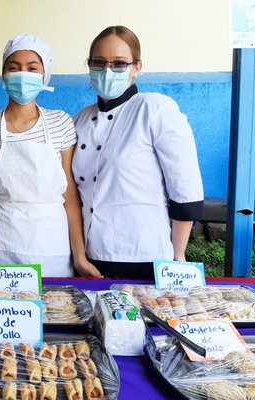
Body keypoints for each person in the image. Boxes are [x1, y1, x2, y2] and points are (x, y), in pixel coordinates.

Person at [0, 34, 100, 278]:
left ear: (44, 76)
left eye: (32, 68)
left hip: (53, 244)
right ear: (3, 74)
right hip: (1, 243)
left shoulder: (60, 122)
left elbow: (70, 194)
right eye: (14, 67)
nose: (23, 75)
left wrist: (80, 257)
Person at [72, 26, 204, 279]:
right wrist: (78, 255)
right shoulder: (80, 120)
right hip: (91, 257)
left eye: (119, 63)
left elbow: (185, 187)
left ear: (137, 67)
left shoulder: (155, 109)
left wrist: (178, 256)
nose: (107, 71)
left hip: (145, 254)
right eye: (99, 63)